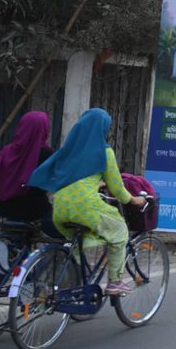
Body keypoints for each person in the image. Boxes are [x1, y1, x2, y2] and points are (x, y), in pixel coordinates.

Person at [27, 109, 142, 297]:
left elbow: (73, 176)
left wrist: (96, 181)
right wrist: (134, 200)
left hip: (60, 210)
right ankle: (115, 283)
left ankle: (72, 285)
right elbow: (117, 189)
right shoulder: (104, 152)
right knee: (120, 231)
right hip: (86, 208)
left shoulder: (69, 150)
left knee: (79, 243)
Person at [0, 111, 61, 238]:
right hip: (35, 212)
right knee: (65, 231)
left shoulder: (7, 151)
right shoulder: (46, 154)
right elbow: (55, 181)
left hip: (6, 211)